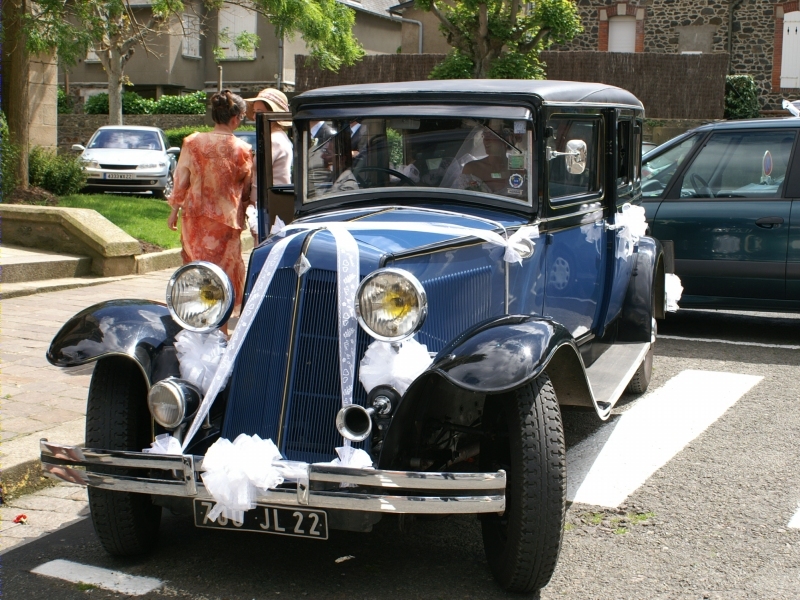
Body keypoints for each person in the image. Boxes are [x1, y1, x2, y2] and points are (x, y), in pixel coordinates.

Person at [167, 90, 253, 321]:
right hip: (226, 221)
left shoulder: (192, 142)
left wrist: (174, 211)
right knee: (223, 273)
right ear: (236, 118)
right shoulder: (243, 149)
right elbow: (245, 189)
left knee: (197, 269)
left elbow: (181, 180)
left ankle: (196, 319)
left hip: (194, 218)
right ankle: (221, 327)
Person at [242, 88, 293, 235]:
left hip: (271, 203)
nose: (255, 116)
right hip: (269, 201)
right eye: (255, 111)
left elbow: (262, 176)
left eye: (260, 111)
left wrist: (252, 204)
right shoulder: (274, 136)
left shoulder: (274, 140)